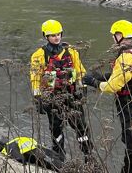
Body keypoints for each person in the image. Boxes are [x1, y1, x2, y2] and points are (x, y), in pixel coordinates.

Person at [83, 20, 132, 173]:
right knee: (130, 140)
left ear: (120, 35)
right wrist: (104, 76)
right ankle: (127, 169)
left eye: (114, 35)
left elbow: (113, 87)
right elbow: (131, 77)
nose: (113, 38)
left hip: (128, 104)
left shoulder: (126, 58)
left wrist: (94, 82)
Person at [30, 19, 93, 160]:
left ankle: (88, 155)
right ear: (46, 37)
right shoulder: (39, 55)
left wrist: (82, 88)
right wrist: (37, 97)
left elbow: (80, 71)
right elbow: (35, 78)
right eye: (53, 35)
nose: (57, 37)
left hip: (71, 94)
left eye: (59, 34)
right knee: (56, 128)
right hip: (52, 96)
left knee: (81, 126)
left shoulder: (71, 52)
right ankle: (59, 156)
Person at [0, 136, 64, 171]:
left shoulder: (9, 146)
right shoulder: (18, 139)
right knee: (63, 164)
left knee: (59, 167)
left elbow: (20, 158)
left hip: (38, 156)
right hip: (46, 151)